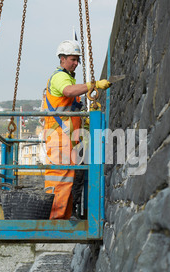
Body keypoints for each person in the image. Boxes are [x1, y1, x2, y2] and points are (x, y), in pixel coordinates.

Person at [42, 40, 111, 220]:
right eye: (73, 59)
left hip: (66, 138)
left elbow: (70, 106)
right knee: (59, 177)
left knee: (66, 178)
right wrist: (92, 85)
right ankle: (55, 219)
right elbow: (69, 91)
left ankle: (62, 217)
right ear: (62, 59)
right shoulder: (60, 77)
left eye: (77, 60)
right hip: (59, 137)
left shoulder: (67, 77)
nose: (76, 63)